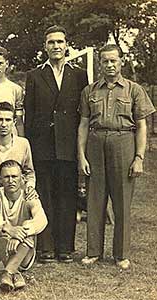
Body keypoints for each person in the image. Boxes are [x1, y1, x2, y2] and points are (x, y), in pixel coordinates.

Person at [78, 44, 155, 269]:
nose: (109, 65)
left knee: (121, 200)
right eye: (105, 61)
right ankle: (93, 251)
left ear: (121, 61)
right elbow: (83, 125)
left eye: (114, 60)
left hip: (123, 142)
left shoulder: (134, 90)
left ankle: (121, 254)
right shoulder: (89, 91)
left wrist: (139, 157)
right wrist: (81, 156)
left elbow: (142, 126)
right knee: (94, 199)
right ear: (99, 64)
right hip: (95, 142)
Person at [24, 25, 89, 263]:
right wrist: (29, 148)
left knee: (67, 196)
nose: (56, 46)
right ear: (45, 47)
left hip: (68, 146)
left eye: (60, 42)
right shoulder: (34, 75)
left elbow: (84, 113)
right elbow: (29, 116)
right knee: (45, 196)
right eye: (51, 42)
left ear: (66, 45)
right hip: (42, 147)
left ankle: (65, 247)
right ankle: (47, 247)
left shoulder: (80, 75)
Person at [0, 160, 47, 292]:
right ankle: (13, 272)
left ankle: (8, 272)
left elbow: (42, 220)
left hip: (22, 256)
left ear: (22, 178)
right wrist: (10, 229)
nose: (11, 180)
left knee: (29, 226)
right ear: (0, 179)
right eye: (6, 177)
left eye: (14, 176)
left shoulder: (29, 196)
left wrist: (19, 236)